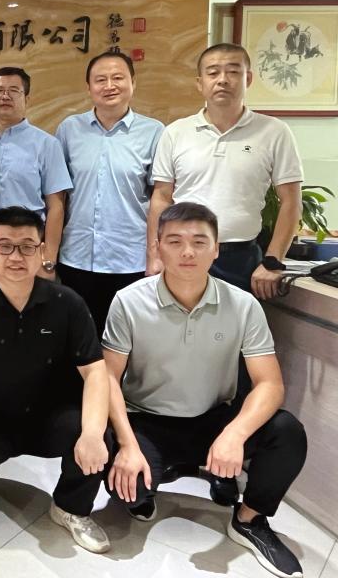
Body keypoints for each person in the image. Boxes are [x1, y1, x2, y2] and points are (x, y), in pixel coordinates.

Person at [104, 202, 307, 578]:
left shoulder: (243, 305)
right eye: (175, 241)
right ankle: (158, 475)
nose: (187, 252)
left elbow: (269, 383)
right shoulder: (128, 301)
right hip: (147, 418)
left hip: (214, 417)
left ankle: (248, 520)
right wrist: (128, 445)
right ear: (158, 247)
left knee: (287, 432)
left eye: (199, 242)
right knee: (126, 487)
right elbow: (108, 379)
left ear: (216, 250)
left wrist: (235, 434)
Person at [0, 206, 111, 554]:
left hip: (48, 417)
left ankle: (70, 508)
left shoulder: (68, 303)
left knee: (96, 434)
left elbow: (95, 371)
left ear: (42, 250)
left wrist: (92, 433)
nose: (16, 256)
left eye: (27, 246)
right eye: (5, 246)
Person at [148, 43, 303, 298]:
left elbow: (291, 201)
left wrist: (273, 261)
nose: (222, 80)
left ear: (248, 78)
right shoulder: (175, 132)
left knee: (236, 324)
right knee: (172, 322)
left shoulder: (274, 132)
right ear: (200, 83)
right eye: (213, 73)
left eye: (232, 72)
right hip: (182, 254)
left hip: (240, 259)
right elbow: (162, 197)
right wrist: (155, 256)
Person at [55, 52, 164, 333]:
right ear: (89, 87)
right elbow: (58, 196)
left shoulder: (154, 132)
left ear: (133, 83)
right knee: (78, 337)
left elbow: (160, 198)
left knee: (127, 338)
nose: (109, 86)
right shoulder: (69, 129)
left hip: (129, 258)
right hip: (76, 256)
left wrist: (155, 254)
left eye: (118, 78)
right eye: (100, 80)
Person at [0, 66, 72, 280]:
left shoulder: (47, 145)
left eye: (14, 91)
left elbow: (56, 206)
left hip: (28, 246)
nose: (5, 96)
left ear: (27, 99)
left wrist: (48, 260)